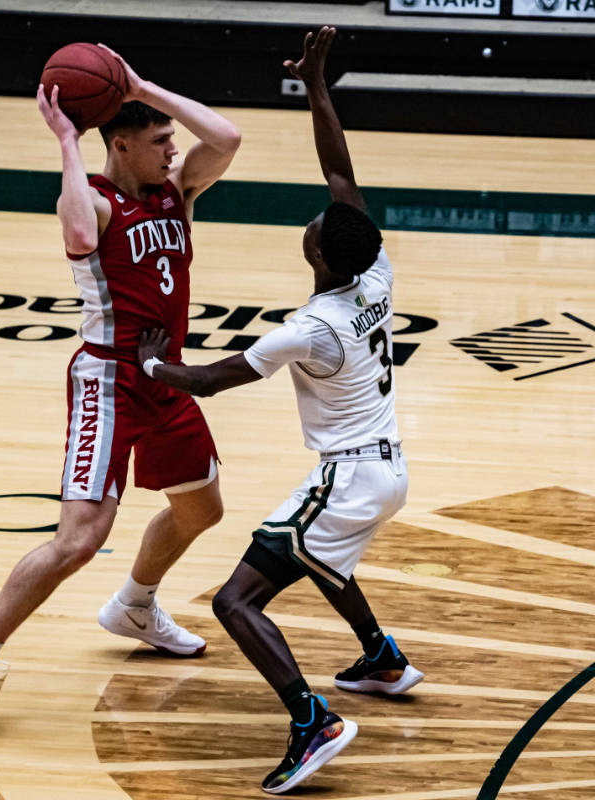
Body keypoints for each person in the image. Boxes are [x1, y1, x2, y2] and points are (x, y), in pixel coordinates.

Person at [134, 26, 423, 795]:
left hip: (353, 474)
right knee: (317, 555)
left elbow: (217, 378)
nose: (319, 216)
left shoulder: (311, 326)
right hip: (388, 465)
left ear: (321, 255)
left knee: (238, 598)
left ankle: (311, 720)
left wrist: (154, 364)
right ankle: (382, 659)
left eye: (320, 226)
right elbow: (339, 169)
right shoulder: (375, 268)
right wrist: (317, 86)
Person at [0, 45, 241, 738]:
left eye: (171, 140)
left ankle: (135, 604)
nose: (172, 149)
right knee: (78, 540)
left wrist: (142, 87)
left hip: (167, 378)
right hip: (108, 380)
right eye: (159, 141)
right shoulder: (96, 203)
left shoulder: (177, 192)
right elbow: (74, 230)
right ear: (120, 144)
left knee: (201, 509)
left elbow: (227, 138)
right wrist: (69, 143)